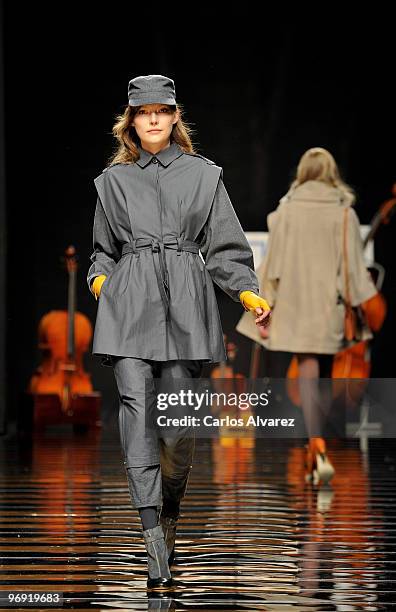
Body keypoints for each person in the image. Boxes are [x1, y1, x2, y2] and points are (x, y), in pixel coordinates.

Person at [86, 74, 271, 590]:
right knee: (137, 418)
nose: (151, 119)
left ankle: (169, 516)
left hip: (186, 309)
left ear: (173, 117)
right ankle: (152, 545)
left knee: (177, 425)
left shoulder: (204, 177)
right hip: (128, 307)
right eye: (141, 111)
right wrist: (101, 278)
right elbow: (102, 248)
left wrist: (248, 293)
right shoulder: (113, 183)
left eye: (160, 111)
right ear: (131, 119)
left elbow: (227, 249)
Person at [236, 147, 377, 485]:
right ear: (331, 173)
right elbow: (354, 271)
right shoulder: (344, 214)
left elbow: (273, 268)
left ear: (301, 173)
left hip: (298, 305)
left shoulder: (284, 213)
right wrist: (367, 302)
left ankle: (315, 442)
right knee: (329, 368)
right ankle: (320, 440)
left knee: (309, 368)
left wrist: (263, 304)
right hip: (332, 306)